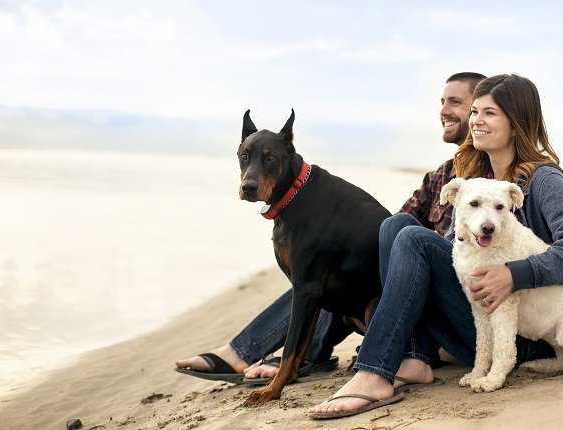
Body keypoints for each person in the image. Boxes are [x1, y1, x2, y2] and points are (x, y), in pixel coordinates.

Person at [308, 73, 563, 419]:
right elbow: (456, 250)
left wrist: (515, 274)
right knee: (397, 225)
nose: (476, 121)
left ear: (517, 122)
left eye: (489, 113)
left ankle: (374, 371)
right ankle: (414, 357)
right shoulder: (480, 179)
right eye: (475, 111)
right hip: (475, 326)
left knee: (412, 235)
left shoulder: (542, 179)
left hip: (525, 337)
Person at [174, 72, 488, 383]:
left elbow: (427, 245)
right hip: (408, 296)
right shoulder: (439, 176)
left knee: (319, 276)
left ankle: (284, 354)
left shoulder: (493, 183)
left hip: (448, 308)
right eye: (442, 102)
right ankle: (277, 352)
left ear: (480, 110)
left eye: (456, 102)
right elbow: (387, 236)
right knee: (331, 264)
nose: (444, 110)